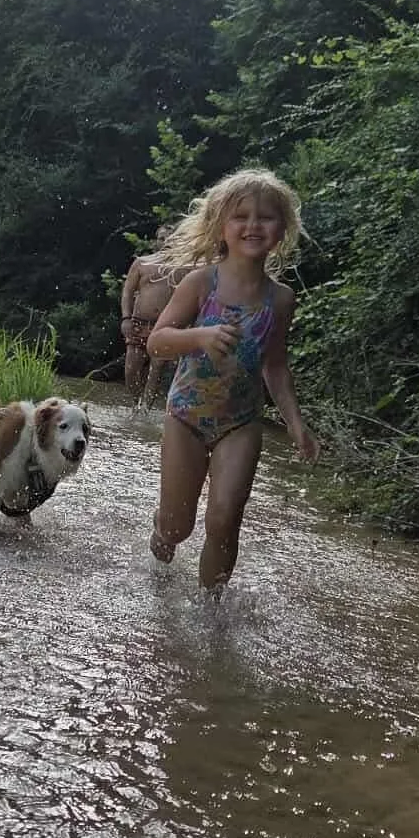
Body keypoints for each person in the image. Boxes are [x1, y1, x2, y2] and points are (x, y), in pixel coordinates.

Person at [145, 167, 318, 591]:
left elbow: (275, 365)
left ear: (282, 230)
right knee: (178, 526)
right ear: (221, 225)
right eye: (241, 216)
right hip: (186, 416)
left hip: (241, 423)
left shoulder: (281, 299)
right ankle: (161, 533)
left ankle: (211, 612)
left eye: (265, 217)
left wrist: (296, 424)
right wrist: (200, 336)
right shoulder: (201, 283)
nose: (253, 225)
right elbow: (157, 343)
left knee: (224, 519)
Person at [119, 230, 184, 404]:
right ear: (156, 241)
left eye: (171, 238)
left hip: (165, 325)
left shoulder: (183, 267)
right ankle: (135, 405)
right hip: (138, 323)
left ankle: (145, 411)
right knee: (130, 371)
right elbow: (127, 292)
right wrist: (125, 318)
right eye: (162, 238)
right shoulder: (142, 263)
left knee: (156, 372)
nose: (167, 241)